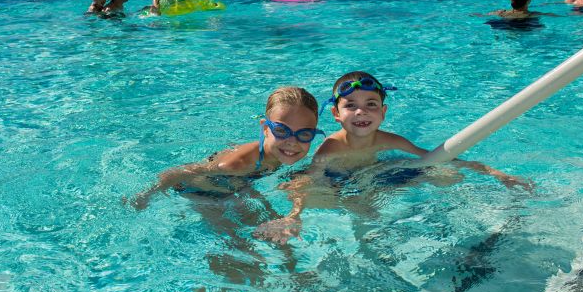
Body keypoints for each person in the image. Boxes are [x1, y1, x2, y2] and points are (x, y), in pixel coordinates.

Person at [254, 71, 532, 242]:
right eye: (351, 106)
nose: (361, 112)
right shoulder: (331, 147)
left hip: (375, 175)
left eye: (370, 105)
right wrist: (294, 215)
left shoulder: (391, 140)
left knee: (446, 174)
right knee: (333, 197)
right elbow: (310, 180)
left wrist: (497, 174)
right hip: (338, 181)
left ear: (383, 113)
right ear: (336, 115)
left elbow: (437, 157)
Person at [128, 86, 324, 210]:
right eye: (282, 131)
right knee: (241, 243)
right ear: (265, 128)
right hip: (201, 191)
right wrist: (146, 194)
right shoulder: (236, 164)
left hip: (239, 185)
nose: (292, 141)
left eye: (304, 134)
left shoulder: (274, 155)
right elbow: (183, 172)